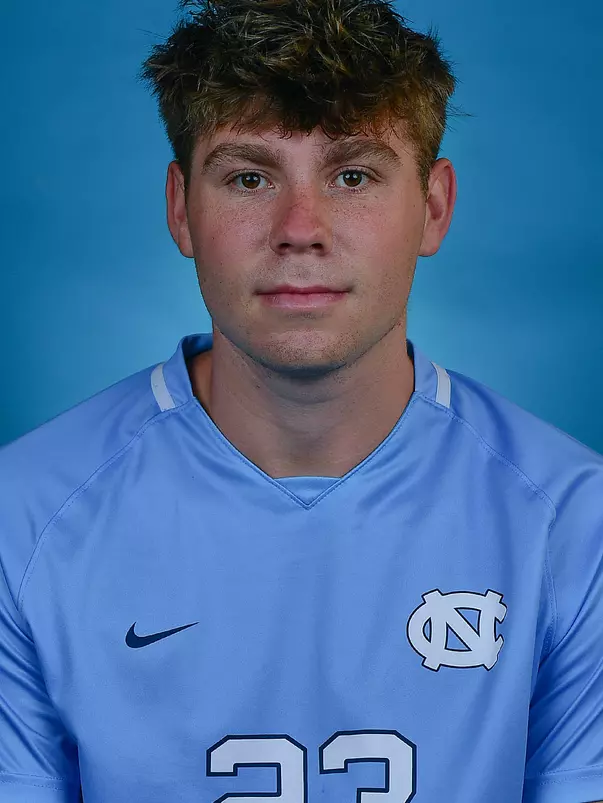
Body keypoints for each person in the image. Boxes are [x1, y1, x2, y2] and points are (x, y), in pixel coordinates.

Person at [0, 0, 601, 800]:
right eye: (249, 176)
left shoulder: (573, 523)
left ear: (432, 206)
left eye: (352, 174)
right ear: (181, 207)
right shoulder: (23, 519)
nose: (299, 228)